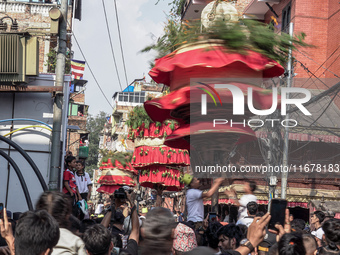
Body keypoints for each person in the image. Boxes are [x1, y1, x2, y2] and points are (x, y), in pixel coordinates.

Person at [182, 174, 224, 244]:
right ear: (192, 184)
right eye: (196, 180)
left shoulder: (190, 192)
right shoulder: (193, 192)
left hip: (194, 221)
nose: (199, 181)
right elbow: (208, 194)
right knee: (200, 241)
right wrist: (217, 183)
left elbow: (206, 197)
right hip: (196, 222)